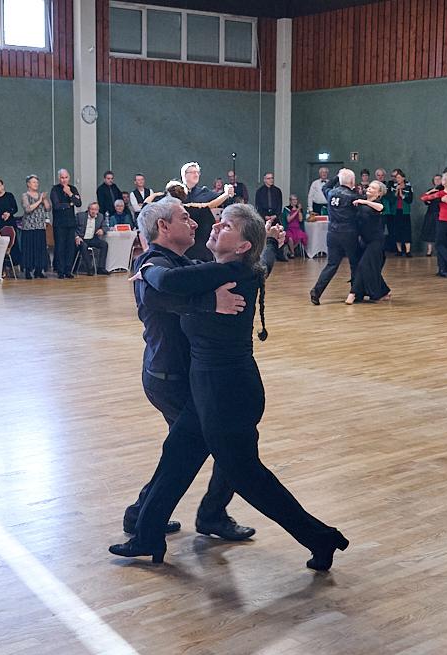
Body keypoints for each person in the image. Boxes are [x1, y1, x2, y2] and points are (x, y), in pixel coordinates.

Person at [113, 203, 348, 570]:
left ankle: (321, 537)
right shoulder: (232, 268)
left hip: (227, 393)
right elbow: (262, 260)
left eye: (226, 226)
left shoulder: (229, 273)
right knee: (178, 455)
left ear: (241, 246)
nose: (215, 225)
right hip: (208, 389)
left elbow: (169, 282)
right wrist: (268, 241)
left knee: (250, 479)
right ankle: (146, 535)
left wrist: (144, 266)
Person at [118, 197, 255, 543]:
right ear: (163, 227)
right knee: (221, 442)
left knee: (189, 447)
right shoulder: (153, 263)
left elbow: (209, 272)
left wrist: (260, 244)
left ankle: (146, 515)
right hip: (170, 377)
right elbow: (160, 296)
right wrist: (210, 302)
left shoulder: (179, 261)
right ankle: (203, 514)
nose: (195, 223)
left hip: (179, 374)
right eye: (185, 218)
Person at [309, 168, 361, 305]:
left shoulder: (331, 193)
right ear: (352, 181)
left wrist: (337, 176)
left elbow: (326, 186)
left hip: (332, 233)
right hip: (349, 233)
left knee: (332, 264)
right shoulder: (353, 196)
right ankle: (356, 293)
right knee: (354, 263)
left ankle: (316, 291)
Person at [346, 180, 390, 304]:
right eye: (369, 187)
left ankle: (353, 294)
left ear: (379, 193)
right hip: (364, 241)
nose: (369, 189)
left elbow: (381, 208)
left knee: (364, 265)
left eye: (373, 188)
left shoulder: (377, 203)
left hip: (376, 241)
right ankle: (384, 291)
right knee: (370, 268)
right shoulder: (361, 201)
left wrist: (363, 201)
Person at [181, 161, 233, 261]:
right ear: (184, 175)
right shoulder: (176, 191)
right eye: (192, 172)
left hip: (202, 237)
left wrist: (228, 193)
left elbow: (221, 199)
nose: (196, 174)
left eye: (197, 172)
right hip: (183, 236)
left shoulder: (204, 192)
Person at [50, 169, 82, 279]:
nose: (64, 180)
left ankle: (68, 270)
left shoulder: (73, 189)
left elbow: (78, 203)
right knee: (60, 247)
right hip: (59, 224)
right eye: (62, 178)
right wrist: (69, 203)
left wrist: (70, 194)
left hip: (70, 223)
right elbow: (56, 205)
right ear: (59, 178)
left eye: (66, 177)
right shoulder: (55, 189)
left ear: (69, 178)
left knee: (70, 247)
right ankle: (60, 270)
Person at [19, 175, 50, 279]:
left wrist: (44, 199)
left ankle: (39, 270)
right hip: (29, 226)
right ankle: (28, 270)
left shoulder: (41, 195)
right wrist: (39, 200)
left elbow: (48, 208)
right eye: (33, 182)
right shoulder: (25, 195)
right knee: (29, 248)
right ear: (28, 184)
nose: (36, 184)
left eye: (37, 182)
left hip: (40, 226)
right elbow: (28, 209)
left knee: (40, 249)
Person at [74, 201, 111, 275]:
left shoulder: (100, 217)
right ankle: (89, 268)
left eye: (96, 209)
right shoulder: (80, 216)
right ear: (88, 209)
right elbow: (73, 228)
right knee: (83, 246)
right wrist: (76, 237)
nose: (94, 211)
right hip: (82, 238)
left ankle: (101, 268)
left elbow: (106, 227)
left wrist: (102, 230)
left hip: (92, 238)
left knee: (104, 244)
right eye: (92, 209)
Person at [389, 169, 414, 257]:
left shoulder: (408, 187)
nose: (398, 179)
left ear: (403, 178)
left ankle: (408, 251)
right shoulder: (393, 187)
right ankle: (399, 250)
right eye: (396, 178)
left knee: (406, 230)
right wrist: (397, 190)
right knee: (397, 230)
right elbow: (391, 199)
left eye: (399, 177)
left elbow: (410, 200)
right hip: (396, 212)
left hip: (405, 212)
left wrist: (402, 194)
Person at [419, 174, 442, 257]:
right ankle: (429, 250)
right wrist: (430, 195)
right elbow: (425, 200)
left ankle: (440, 250)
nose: (437, 181)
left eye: (439, 179)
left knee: (439, 232)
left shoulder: (444, 190)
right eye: (436, 179)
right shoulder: (430, 190)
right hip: (431, 213)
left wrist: (432, 199)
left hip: (440, 213)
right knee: (429, 231)